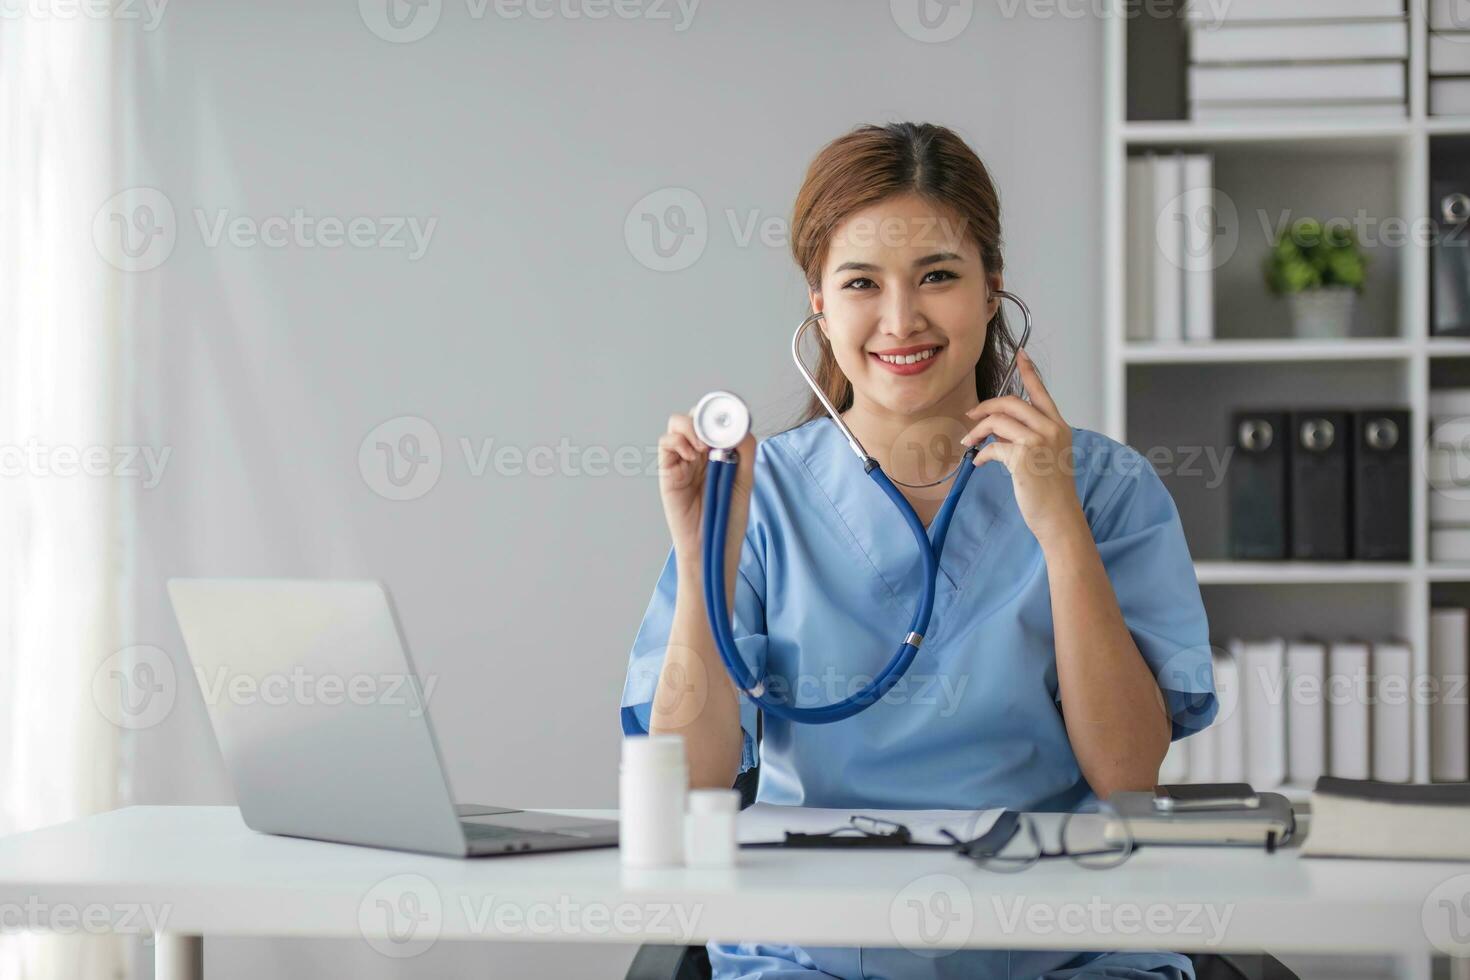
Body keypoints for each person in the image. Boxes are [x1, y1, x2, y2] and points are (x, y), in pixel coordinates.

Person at [619, 121, 1217, 980]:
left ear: (989, 291)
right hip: (813, 956)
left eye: (938, 275)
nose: (901, 319)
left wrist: (1058, 528)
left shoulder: (1106, 487)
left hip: (1066, 952)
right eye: (862, 282)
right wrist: (703, 551)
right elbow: (690, 787)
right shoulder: (754, 492)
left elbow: (1127, 772)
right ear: (820, 306)